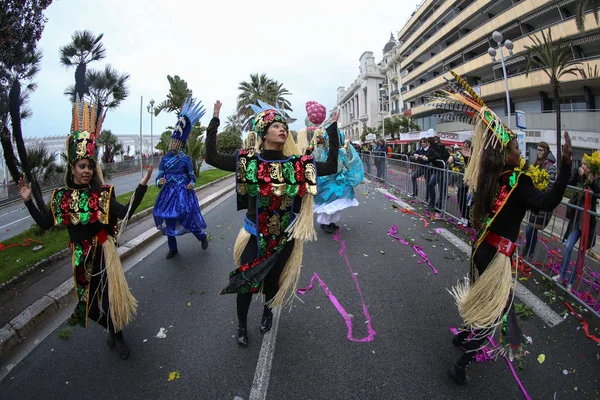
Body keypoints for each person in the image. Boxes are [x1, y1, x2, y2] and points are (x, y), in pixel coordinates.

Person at [427, 70, 572, 385]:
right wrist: (566, 170)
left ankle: (465, 334)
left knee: (484, 296)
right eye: (517, 148)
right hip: (496, 257)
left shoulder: (488, 176)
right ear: (507, 153)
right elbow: (546, 203)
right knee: (494, 310)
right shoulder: (518, 182)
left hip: (481, 250)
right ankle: (462, 365)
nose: (521, 152)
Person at [18, 97, 154, 360]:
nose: (87, 171)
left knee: (107, 298)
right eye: (82, 166)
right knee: (90, 308)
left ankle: (117, 335)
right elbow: (45, 224)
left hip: (103, 254)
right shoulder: (62, 198)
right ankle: (111, 331)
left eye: (90, 166)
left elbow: (124, 213)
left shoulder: (101, 194)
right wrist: (27, 201)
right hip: (80, 256)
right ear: (72, 167)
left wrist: (141, 186)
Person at [205, 100, 339, 347]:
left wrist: (332, 129)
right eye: (276, 126)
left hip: (283, 238)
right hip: (254, 236)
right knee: (246, 283)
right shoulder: (248, 162)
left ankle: (268, 311)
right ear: (264, 133)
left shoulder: (297, 165)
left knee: (273, 281)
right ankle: (242, 324)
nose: (282, 130)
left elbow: (331, 166)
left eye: (284, 126)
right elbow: (211, 157)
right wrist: (214, 120)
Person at [153, 98, 209, 259]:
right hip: (168, 193)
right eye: (173, 142)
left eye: (177, 142)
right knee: (169, 219)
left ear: (181, 144)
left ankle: (201, 236)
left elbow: (192, 177)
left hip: (184, 192)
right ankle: (173, 248)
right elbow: (159, 175)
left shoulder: (185, 159)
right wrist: (159, 181)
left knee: (186, 217)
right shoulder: (164, 159)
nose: (174, 145)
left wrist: (192, 183)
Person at [553, 155, 600, 290]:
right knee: (568, 247)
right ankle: (561, 275)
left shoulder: (596, 179)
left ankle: (571, 281)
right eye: (582, 164)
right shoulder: (580, 177)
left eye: (586, 165)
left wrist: (590, 181)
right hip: (577, 220)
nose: (583, 167)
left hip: (587, 223)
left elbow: (598, 189)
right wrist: (575, 170)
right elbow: (571, 183)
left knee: (581, 253)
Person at [313, 121, 364, 234]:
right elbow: (317, 160)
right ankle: (324, 223)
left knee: (338, 200)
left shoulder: (341, 153)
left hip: (339, 180)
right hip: (327, 181)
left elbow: (349, 162)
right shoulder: (324, 152)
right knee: (328, 200)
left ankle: (331, 221)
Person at [522, 141, 557, 259]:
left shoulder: (550, 167)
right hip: (535, 201)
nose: (539, 152)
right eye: (538, 150)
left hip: (542, 202)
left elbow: (551, 186)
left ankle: (529, 252)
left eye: (541, 150)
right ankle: (528, 251)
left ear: (546, 151)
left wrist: (541, 188)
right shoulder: (536, 163)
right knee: (531, 230)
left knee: (530, 228)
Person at [448, 140, 472, 226]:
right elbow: (454, 157)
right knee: (460, 198)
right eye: (464, 145)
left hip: (470, 180)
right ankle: (463, 216)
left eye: (467, 145)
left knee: (468, 200)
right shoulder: (459, 153)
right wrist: (452, 157)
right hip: (461, 180)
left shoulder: (473, 154)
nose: (465, 146)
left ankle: (468, 219)